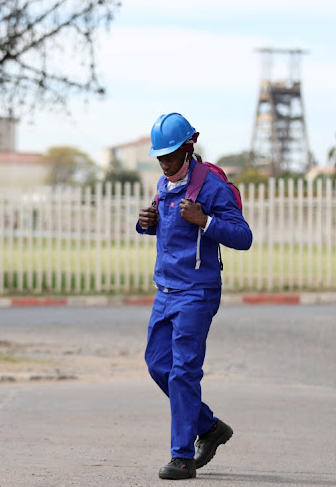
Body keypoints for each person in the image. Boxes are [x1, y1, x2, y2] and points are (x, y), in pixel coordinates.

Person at [136, 112, 253, 480]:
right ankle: (210, 427)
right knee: (159, 365)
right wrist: (146, 224)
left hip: (197, 293)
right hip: (165, 291)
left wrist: (205, 221)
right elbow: (168, 233)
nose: (166, 163)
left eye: (171, 155)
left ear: (189, 148)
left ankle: (182, 457)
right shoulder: (164, 184)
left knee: (184, 372)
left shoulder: (212, 188)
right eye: (161, 157)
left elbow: (243, 237)